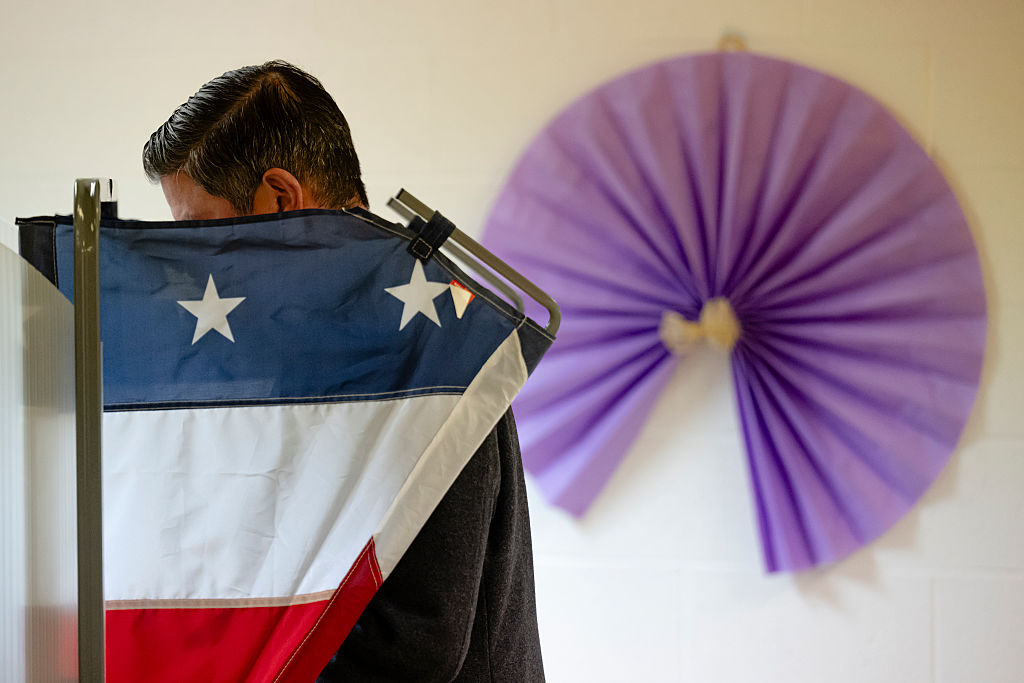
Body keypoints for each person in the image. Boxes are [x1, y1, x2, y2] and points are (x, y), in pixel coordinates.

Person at [143, 60, 545, 682]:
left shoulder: (421, 341)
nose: (198, 269)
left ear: (280, 198)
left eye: (199, 234)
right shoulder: (321, 333)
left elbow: (413, 642)